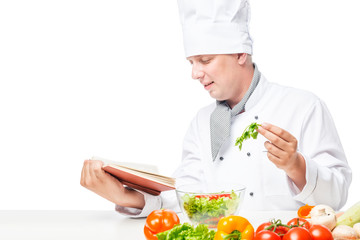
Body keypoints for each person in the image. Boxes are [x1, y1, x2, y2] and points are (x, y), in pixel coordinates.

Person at [80, 0, 352, 217]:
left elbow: (337, 197)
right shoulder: (202, 122)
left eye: (205, 60)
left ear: (239, 54)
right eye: (191, 62)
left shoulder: (304, 106)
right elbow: (186, 197)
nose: (195, 73)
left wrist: (297, 166)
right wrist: (126, 196)